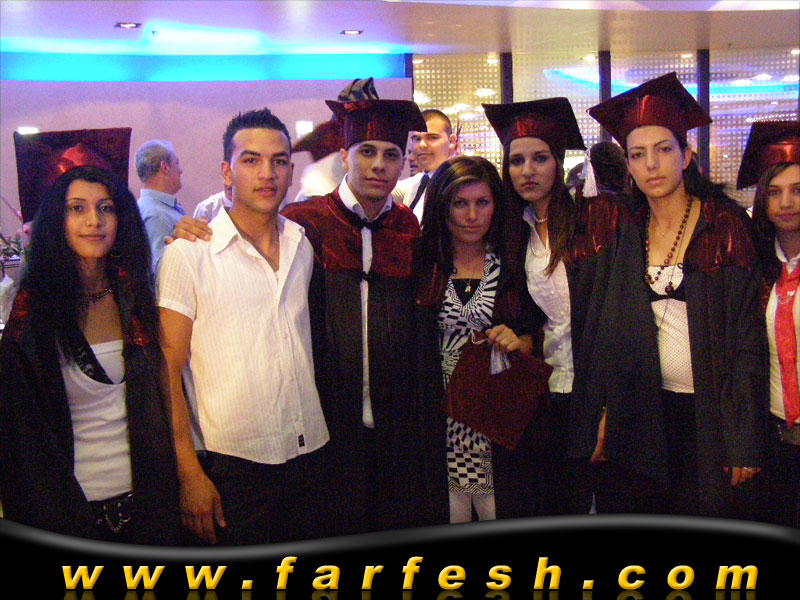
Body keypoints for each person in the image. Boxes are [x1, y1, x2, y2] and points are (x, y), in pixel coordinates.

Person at [583, 72, 767, 517]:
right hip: (642, 414)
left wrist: (743, 436)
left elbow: (746, 341)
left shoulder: (723, 227)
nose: (652, 164)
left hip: (707, 415)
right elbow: (610, 333)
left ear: (686, 155)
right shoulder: (626, 232)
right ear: (628, 165)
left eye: (663, 149)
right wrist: (606, 411)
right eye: (638, 155)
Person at [157, 107, 329, 545]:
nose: (267, 173)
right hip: (233, 465)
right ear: (227, 172)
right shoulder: (190, 253)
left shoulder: (302, 245)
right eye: (251, 160)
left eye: (279, 161)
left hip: (309, 451)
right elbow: (166, 370)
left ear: (291, 170)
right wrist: (189, 474)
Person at [0, 128, 180, 544]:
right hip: (67, 512)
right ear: (56, 221)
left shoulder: (136, 297)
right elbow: (22, 438)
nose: (94, 221)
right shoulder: (31, 314)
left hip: (150, 504)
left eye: (105, 208)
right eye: (77, 208)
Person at [282, 98, 433, 535]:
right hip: (325, 425)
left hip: (394, 427)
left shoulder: (408, 228)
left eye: (391, 154)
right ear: (345, 156)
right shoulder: (303, 223)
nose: (379, 165)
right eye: (367, 151)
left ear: (403, 163)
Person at [482, 98, 623, 517]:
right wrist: (520, 337)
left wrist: (610, 406)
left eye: (539, 158)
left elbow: (619, 318)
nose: (527, 170)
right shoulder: (514, 231)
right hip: (545, 395)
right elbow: (532, 316)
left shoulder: (596, 221)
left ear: (558, 162)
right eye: (517, 161)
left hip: (595, 392)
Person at [413, 155, 536, 522]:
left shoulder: (513, 260)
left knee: (497, 510)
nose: (471, 215)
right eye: (460, 203)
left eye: (482, 202)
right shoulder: (423, 262)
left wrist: (517, 341)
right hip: (437, 415)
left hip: (495, 415)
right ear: (442, 205)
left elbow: (533, 334)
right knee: (448, 513)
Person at [739, 119, 800, 527]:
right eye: (775, 192)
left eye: (798, 189)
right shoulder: (758, 269)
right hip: (775, 437)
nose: (786, 202)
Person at [393, 108, 458, 222]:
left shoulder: (462, 183)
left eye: (432, 137)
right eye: (417, 139)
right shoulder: (417, 182)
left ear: (452, 141)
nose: (422, 145)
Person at [134, 139, 185, 271]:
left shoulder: (151, 208)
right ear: (165, 167)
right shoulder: (156, 215)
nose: (180, 170)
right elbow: (160, 272)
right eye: (177, 163)